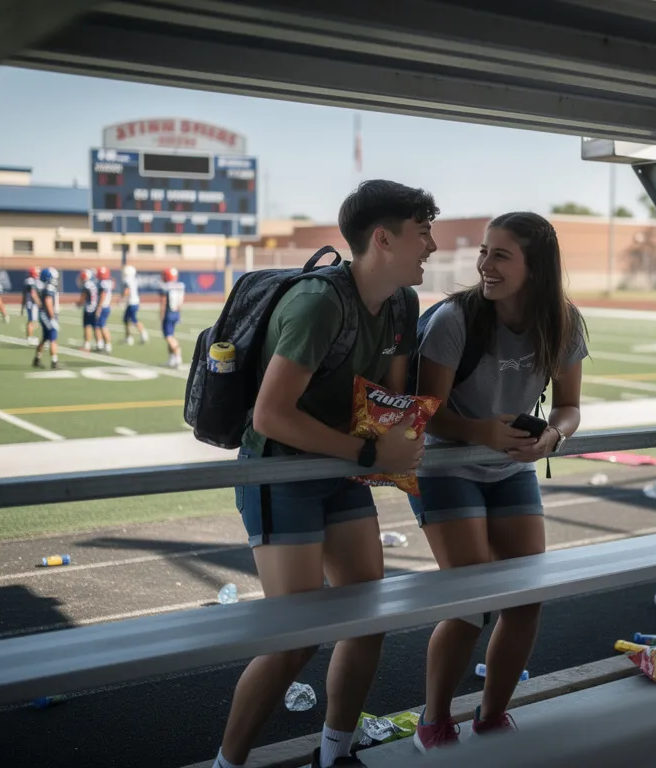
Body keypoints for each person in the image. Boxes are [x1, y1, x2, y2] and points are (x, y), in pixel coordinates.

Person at [213, 180, 437, 768]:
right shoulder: (318, 303)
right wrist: (369, 456)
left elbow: (386, 399)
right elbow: (270, 415)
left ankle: (334, 754)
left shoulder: (401, 304)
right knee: (296, 639)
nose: (433, 246)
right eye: (423, 234)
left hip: (338, 467)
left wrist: (402, 431)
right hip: (279, 471)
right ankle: (227, 764)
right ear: (383, 239)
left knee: (367, 620)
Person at [409, 211, 587, 752]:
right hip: (446, 467)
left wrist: (553, 436)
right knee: (473, 602)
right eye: (484, 252)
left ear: (536, 268)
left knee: (526, 600)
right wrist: (480, 432)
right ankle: (433, 720)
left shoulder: (563, 322)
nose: (485, 264)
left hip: (511, 468)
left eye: (500, 255)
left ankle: (491, 716)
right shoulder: (455, 319)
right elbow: (425, 413)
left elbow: (570, 407)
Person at [33, 267, 61, 369]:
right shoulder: (49, 288)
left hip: (45, 315)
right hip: (48, 316)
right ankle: (54, 362)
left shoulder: (45, 286)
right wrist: (52, 317)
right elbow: (48, 302)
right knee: (53, 339)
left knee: (45, 338)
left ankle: (37, 359)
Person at [160, 267, 185, 369]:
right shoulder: (180, 285)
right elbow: (181, 301)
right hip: (176, 312)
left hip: (168, 313)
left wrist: (161, 315)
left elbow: (163, 302)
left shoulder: (166, 287)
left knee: (169, 337)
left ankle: (177, 356)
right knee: (171, 335)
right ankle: (171, 358)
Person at [121, 264, 148, 344]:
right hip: (134, 301)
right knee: (126, 320)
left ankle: (143, 333)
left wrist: (122, 298)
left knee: (133, 320)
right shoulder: (134, 279)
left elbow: (127, 290)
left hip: (131, 302)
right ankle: (129, 337)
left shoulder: (127, 279)